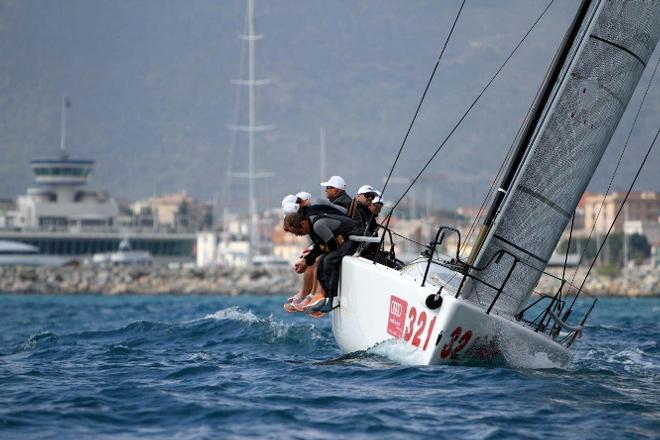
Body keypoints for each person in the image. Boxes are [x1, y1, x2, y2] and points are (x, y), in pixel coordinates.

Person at [283, 210, 362, 315]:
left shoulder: (318, 226)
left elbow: (332, 247)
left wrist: (315, 252)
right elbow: (321, 247)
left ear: (303, 223)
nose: (299, 235)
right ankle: (324, 298)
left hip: (355, 235)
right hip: (347, 237)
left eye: (299, 232)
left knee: (330, 260)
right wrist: (306, 261)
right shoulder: (311, 226)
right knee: (321, 261)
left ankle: (332, 299)